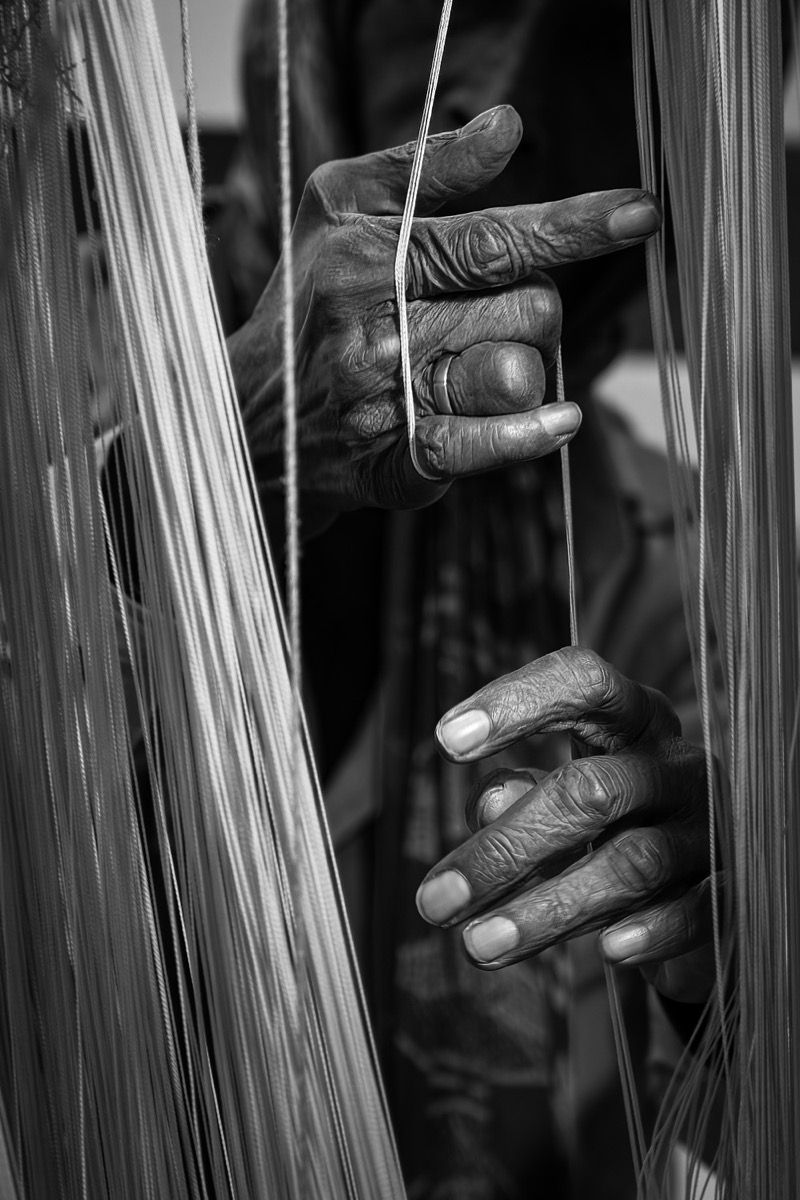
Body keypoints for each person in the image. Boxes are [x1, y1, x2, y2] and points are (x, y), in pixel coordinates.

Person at [212, 2, 714, 1195]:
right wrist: (219, 446)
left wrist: (728, 974)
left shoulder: (706, 569)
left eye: (599, 34)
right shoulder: (72, 412)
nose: (503, 105)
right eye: (450, 15)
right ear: (316, 46)